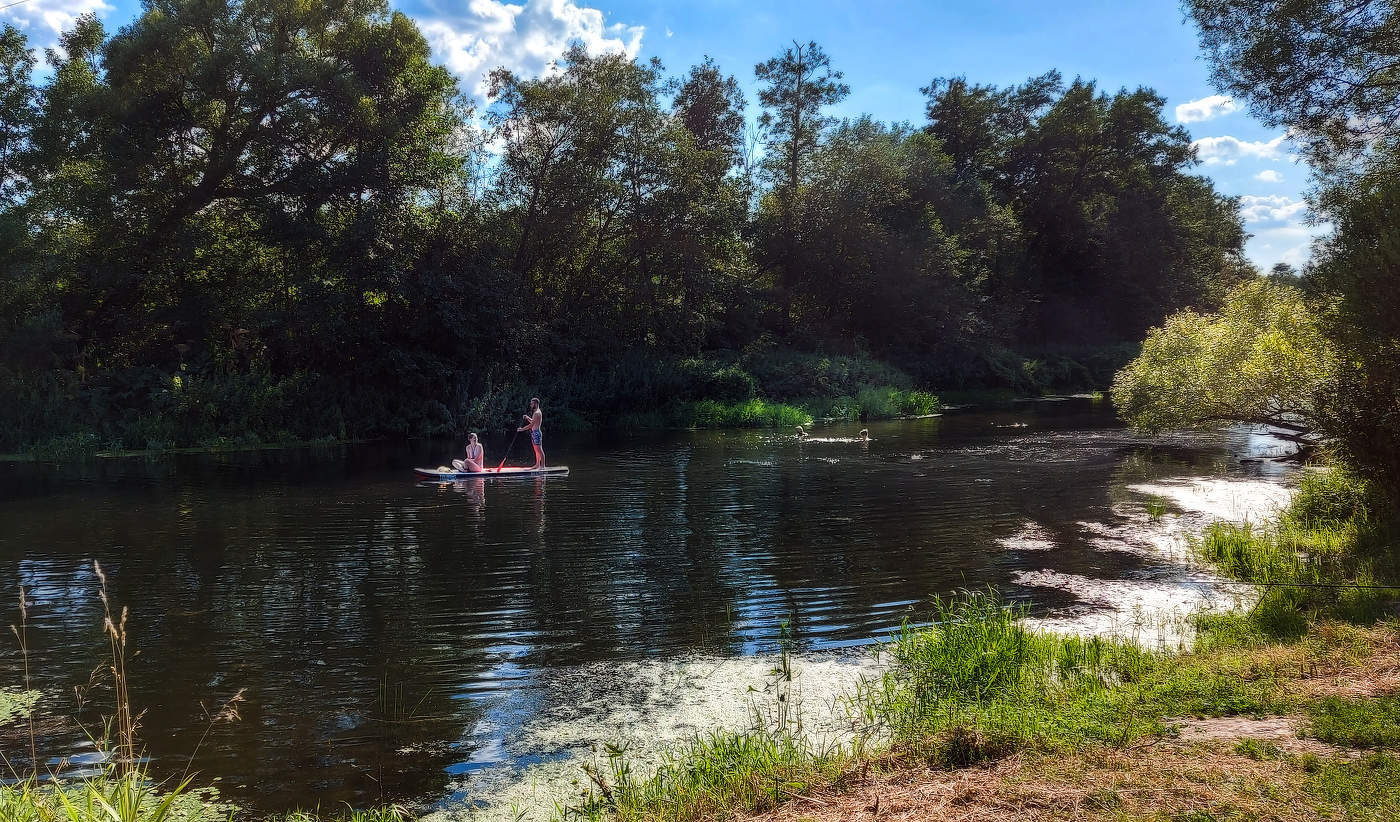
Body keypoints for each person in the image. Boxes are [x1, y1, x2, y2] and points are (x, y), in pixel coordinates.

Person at [518, 398, 545, 469]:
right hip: (534, 433)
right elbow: (533, 421)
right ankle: (537, 465)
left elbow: (531, 425)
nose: (531, 405)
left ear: (536, 404)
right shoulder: (535, 412)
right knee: (536, 450)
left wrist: (522, 429)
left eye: (532, 403)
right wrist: (527, 418)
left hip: (536, 433)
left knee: (539, 449)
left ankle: (542, 466)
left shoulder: (537, 413)